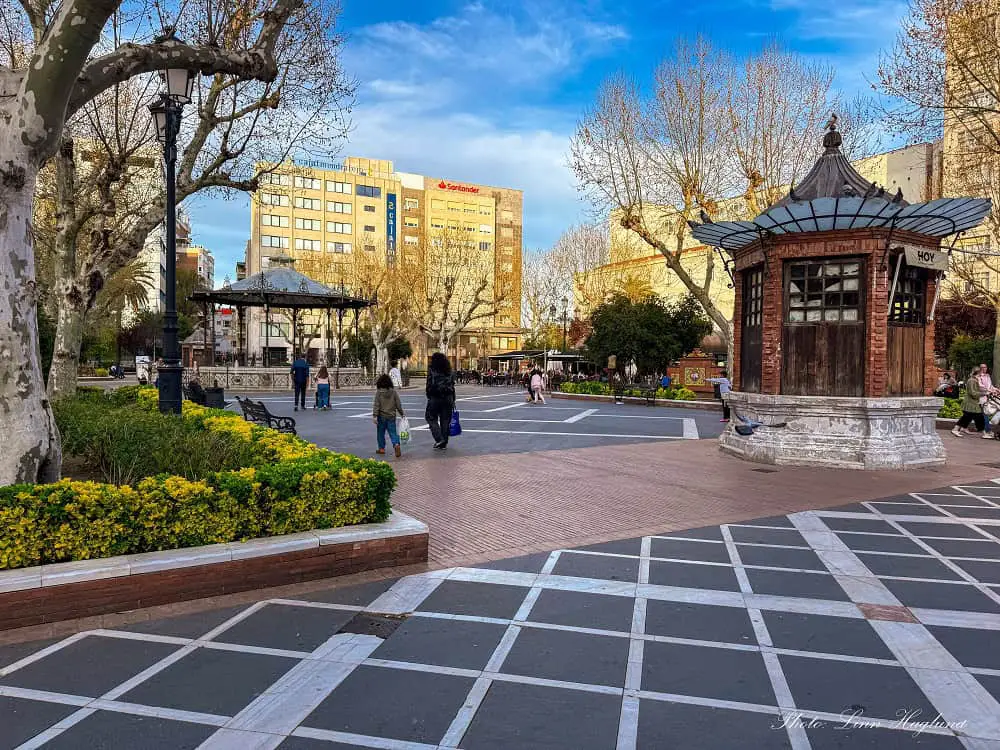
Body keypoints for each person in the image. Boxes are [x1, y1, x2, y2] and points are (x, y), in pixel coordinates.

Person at [425, 352, 456, 451]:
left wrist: (429, 395)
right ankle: (444, 442)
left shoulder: (432, 369)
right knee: (445, 420)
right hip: (448, 397)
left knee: (430, 417)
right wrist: (453, 399)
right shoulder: (449, 370)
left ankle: (439, 439)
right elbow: (452, 385)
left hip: (435, 396)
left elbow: (429, 383)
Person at [373, 373, 405, 457]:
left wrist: (375, 416)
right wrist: (402, 413)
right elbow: (398, 404)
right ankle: (396, 444)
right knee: (393, 432)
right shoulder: (393, 392)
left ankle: (381, 448)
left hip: (381, 417)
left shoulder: (378, 392)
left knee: (380, 433)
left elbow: (376, 405)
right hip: (391, 416)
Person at [953, 366, 988, 437]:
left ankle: (960, 429)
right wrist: (984, 394)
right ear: (977, 373)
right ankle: (984, 433)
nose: (981, 375)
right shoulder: (972, 380)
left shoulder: (973, 380)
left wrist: (987, 391)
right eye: (980, 373)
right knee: (977, 417)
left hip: (973, 403)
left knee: (968, 417)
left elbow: (976, 390)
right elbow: (972, 393)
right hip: (971, 403)